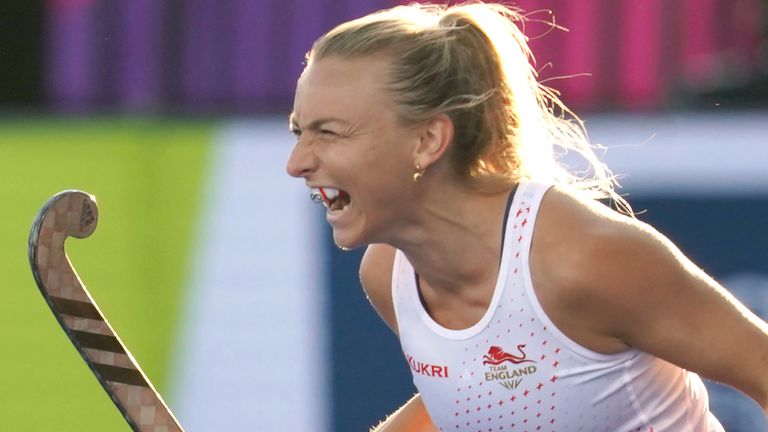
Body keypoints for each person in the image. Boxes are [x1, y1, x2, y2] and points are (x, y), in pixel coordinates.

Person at [286, 3, 768, 431]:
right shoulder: (387, 272)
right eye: (298, 132)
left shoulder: (586, 259)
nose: (298, 163)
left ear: (428, 141)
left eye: (328, 133)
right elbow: (481, 392)